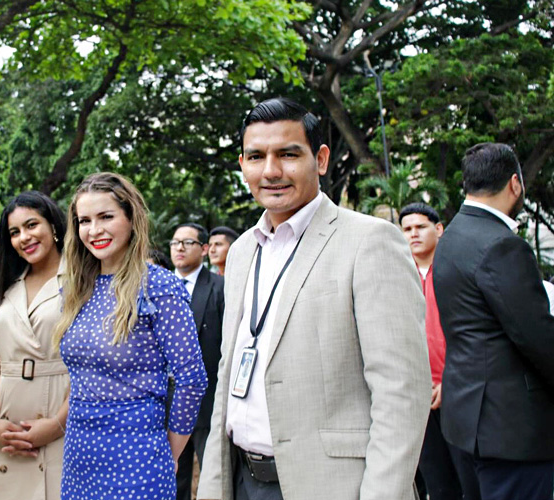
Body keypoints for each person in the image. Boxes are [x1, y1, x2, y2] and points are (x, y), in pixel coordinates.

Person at [197, 97, 429, 500]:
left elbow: (402, 392)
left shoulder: (369, 242)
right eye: (256, 157)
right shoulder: (241, 252)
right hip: (243, 479)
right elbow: (228, 377)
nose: (270, 171)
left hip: (334, 486)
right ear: (242, 165)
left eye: (288, 154)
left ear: (320, 159)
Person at [53, 172, 207, 500]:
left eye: (106, 216)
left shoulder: (160, 286)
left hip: (138, 457)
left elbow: (192, 379)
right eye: (84, 221)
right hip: (80, 455)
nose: (94, 230)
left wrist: (171, 452)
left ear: (131, 218)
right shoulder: (76, 289)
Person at [433, 143, 554, 500]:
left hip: (466, 422)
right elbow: (536, 337)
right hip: (511, 430)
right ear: (515, 184)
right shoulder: (502, 245)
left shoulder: (452, 236)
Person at [0, 192, 69, 499]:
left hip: (63, 424)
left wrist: (56, 425)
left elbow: (93, 363)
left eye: (32, 225)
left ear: (53, 226)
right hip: (7, 435)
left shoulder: (83, 279)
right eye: (14, 232)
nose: (24, 237)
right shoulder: (5, 282)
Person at [399, 202, 463, 500]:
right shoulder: (396, 276)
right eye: (407, 229)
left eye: (420, 227)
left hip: (458, 391)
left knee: (470, 480)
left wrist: (448, 380)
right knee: (437, 485)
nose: (413, 234)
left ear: (438, 229)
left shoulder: (456, 272)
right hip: (416, 398)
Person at [169, 222, 225, 500]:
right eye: (175, 242)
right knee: (172, 477)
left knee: (212, 476)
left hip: (206, 400)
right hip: (165, 400)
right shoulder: (157, 285)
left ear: (204, 249)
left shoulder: (220, 287)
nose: (179, 248)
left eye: (187, 242)